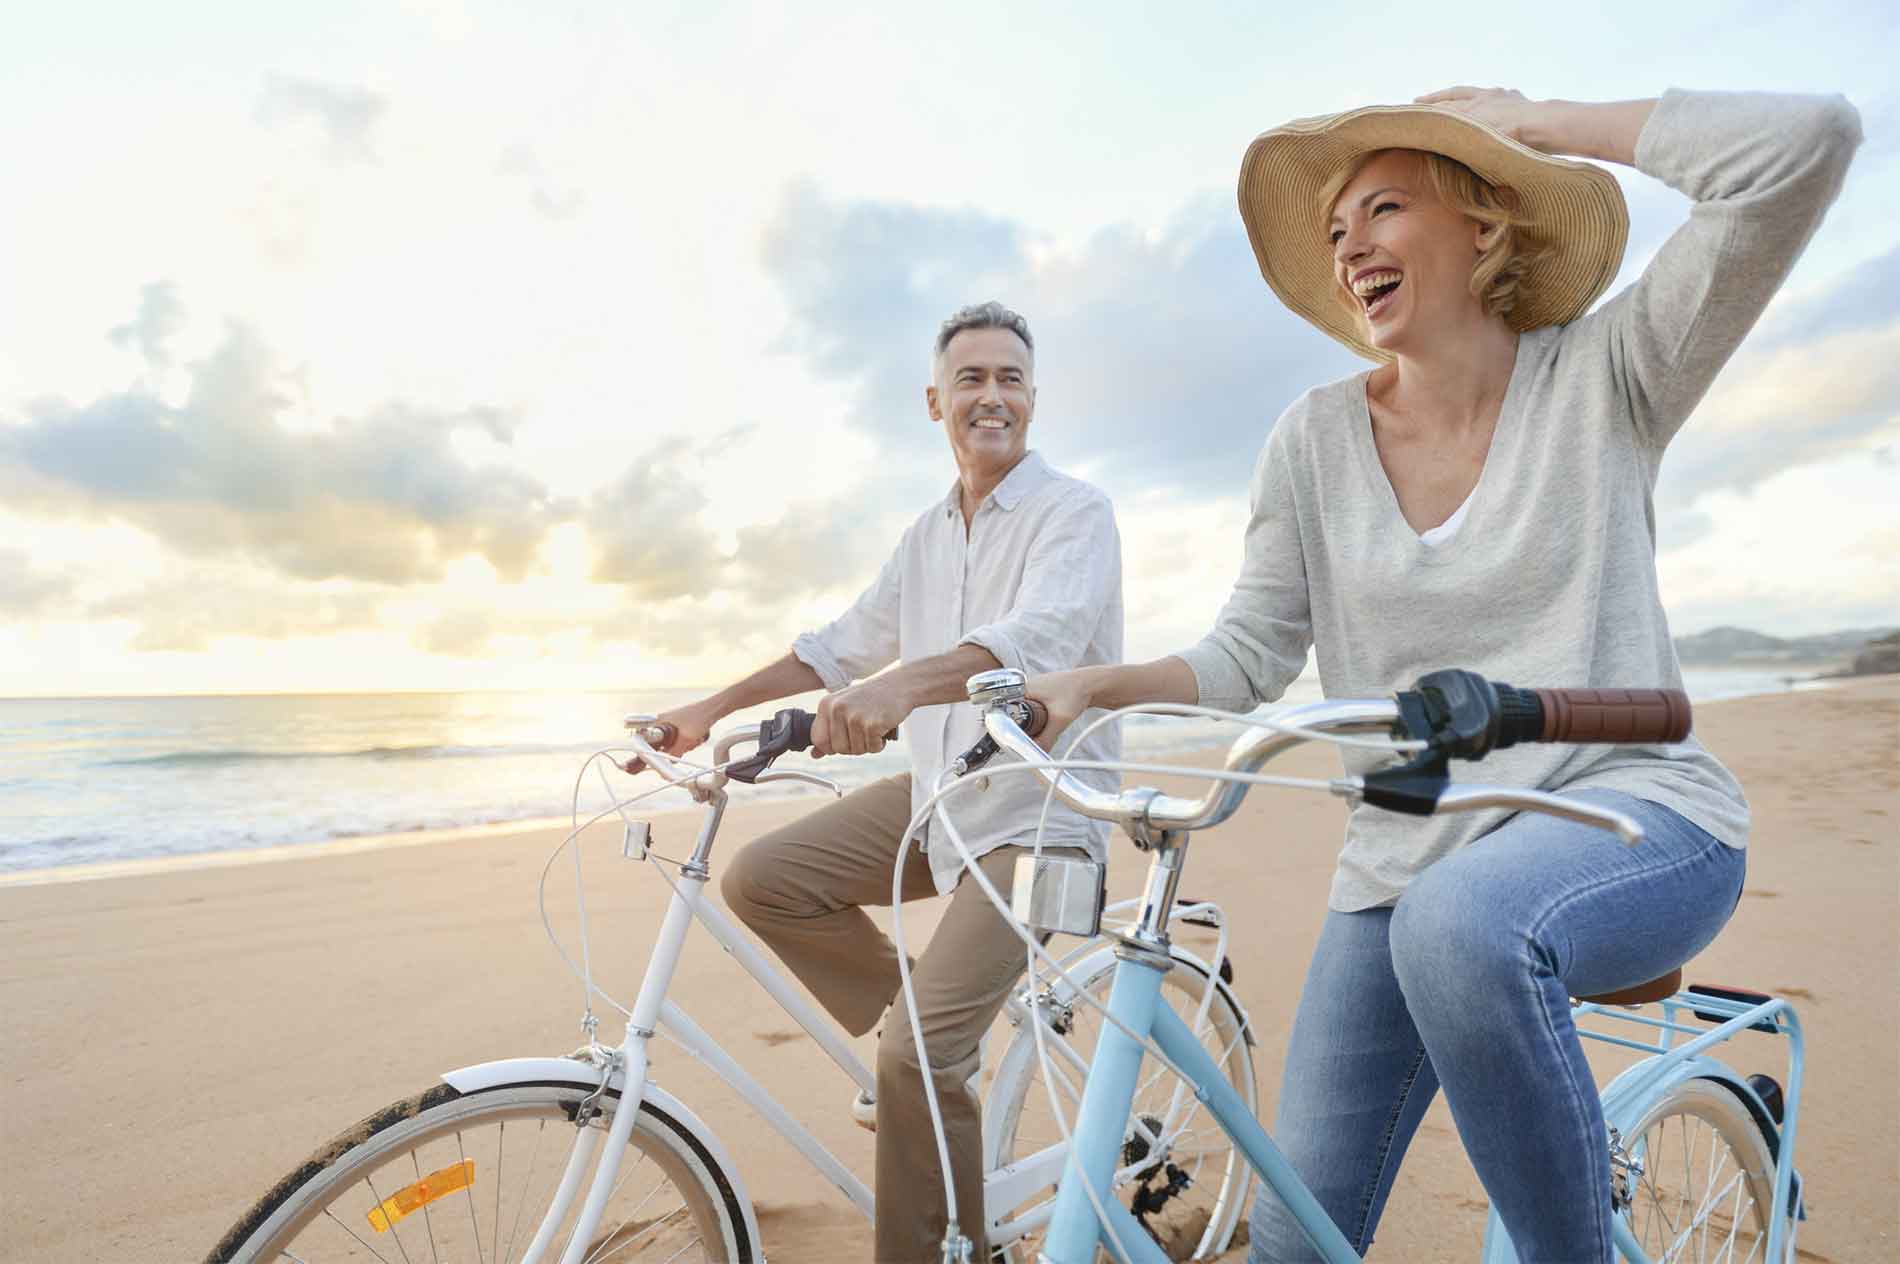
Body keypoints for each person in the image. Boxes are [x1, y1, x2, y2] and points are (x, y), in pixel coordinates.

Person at [1027, 87, 1860, 1261]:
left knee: (1460, 925)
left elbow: (1802, 148)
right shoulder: (1310, 440)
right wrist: (1094, 686)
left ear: (1484, 227)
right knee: (1293, 1239)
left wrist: (1548, 123)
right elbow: (1250, 651)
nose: (1350, 245)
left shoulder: (1610, 374)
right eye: (1334, 232)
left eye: (1383, 208)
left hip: (1633, 816)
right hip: (1401, 863)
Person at [637, 300, 1123, 1261]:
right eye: (972, 379)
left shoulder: (1076, 514)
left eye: (1011, 378)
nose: (993, 396)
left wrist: (901, 688)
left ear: (1033, 399)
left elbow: (1036, 647)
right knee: (763, 880)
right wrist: (709, 710)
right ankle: (925, 1028)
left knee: (915, 1058)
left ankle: (940, 1224)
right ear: (934, 401)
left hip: (1044, 815)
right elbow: (837, 649)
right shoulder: (928, 535)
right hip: (944, 796)